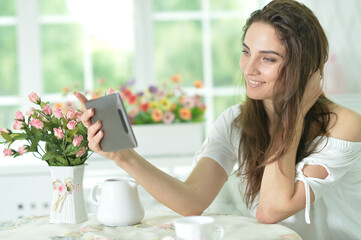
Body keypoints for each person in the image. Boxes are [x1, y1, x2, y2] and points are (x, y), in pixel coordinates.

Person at [75, 0, 361, 239]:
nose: (249, 69)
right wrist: (124, 157)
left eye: (268, 59)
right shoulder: (236, 121)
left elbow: (271, 210)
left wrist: (294, 110)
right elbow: (191, 201)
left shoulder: (344, 126)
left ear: (303, 67)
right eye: (246, 52)